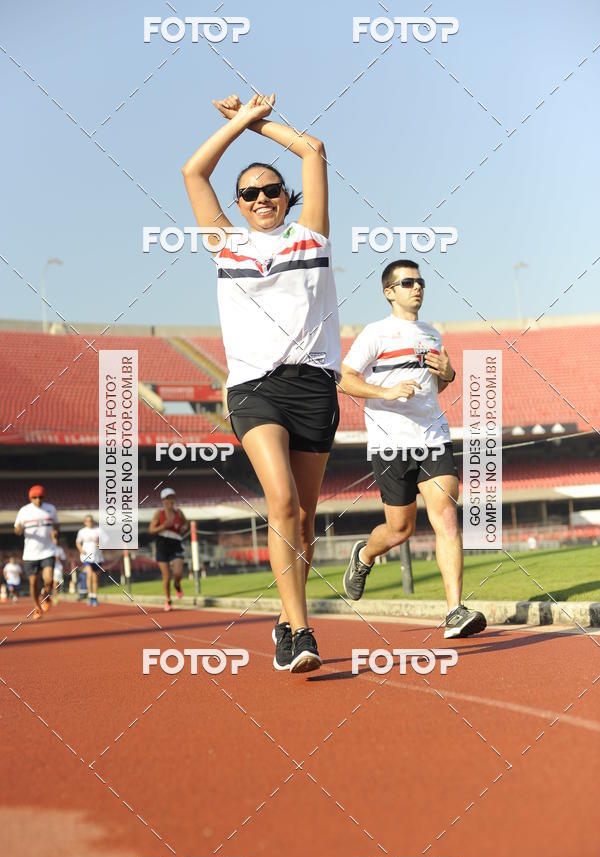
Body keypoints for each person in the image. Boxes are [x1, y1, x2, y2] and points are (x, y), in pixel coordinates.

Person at [182, 91, 341, 673]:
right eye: (248, 194)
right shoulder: (225, 245)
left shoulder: (312, 236)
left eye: (271, 189)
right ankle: (300, 630)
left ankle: (283, 616)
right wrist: (239, 123)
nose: (261, 199)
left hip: (314, 387)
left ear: (286, 196)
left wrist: (261, 124)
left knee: (304, 519)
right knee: (282, 500)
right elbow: (193, 172)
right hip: (254, 389)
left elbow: (313, 149)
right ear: (239, 205)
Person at [340, 260, 487, 639]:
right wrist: (386, 391)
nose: (417, 288)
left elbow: (437, 386)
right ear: (389, 292)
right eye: (407, 283)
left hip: (433, 437)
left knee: (447, 517)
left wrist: (448, 374)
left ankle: (454, 609)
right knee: (400, 529)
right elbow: (345, 379)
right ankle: (365, 554)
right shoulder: (375, 333)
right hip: (390, 444)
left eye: (420, 281)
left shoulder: (432, 334)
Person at [13, 485, 59, 620]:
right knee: (33, 583)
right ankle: (37, 607)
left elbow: (57, 525)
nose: (38, 500)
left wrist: (55, 532)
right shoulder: (24, 511)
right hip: (30, 554)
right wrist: (19, 529)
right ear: (30, 498)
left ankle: (45, 594)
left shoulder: (51, 509)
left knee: (49, 580)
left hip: (48, 551)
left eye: (40, 497)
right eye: (35, 497)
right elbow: (17, 530)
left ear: (44, 497)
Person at [149, 488, 188, 611]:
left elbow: (185, 523)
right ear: (163, 500)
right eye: (168, 498)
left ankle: (177, 584)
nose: (171, 501)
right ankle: (168, 600)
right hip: (162, 546)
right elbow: (151, 530)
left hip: (176, 544)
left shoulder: (179, 513)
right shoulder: (159, 513)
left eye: (172, 498)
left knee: (178, 573)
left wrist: (183, 528)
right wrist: (163, 526)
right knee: (166, 576)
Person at [75, 515, 104, 607]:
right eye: (87, 521)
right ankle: (90, 595)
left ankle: (94, 597)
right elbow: (78, 542)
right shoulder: (82, 531)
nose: (89, 522)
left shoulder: (99, 530)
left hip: (97, 557)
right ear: (85, 522)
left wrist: (99, 544)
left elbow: (105, 541)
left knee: (95, 578)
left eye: (91, 520)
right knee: (89, 574)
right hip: (86, 556)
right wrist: (81, 550)